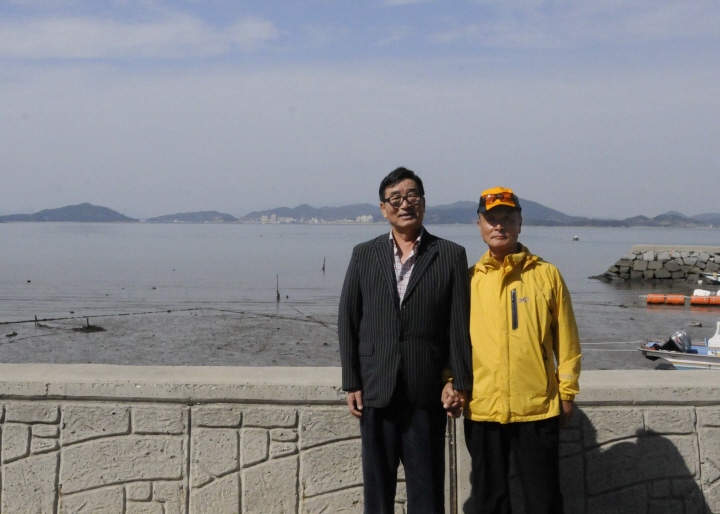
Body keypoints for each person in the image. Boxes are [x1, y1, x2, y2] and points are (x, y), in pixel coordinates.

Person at [338, 167, 472, 514]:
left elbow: (458, 326)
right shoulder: (364, 254)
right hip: (376, 390)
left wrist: (459, 382)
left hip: (425, 392)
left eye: (412, 196)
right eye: (395, 198)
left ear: (423, 203)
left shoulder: (450, 254)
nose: (404, 204)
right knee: (377, 492)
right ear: (383, 209)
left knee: (427, 493)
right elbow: (348, 320)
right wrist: (351, 381)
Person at [463, 187, 581, 514]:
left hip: (537, 408)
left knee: (544, 501)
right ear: (479, 224)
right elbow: (454, 341)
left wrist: (567, 391)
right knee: (490, 501)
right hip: (483, 407)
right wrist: (450, 380)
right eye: (492, 219)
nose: (499, 225)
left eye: (507, 218)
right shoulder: (469, 279)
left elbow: (567, 340)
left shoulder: (546, 275)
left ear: (520, 223)